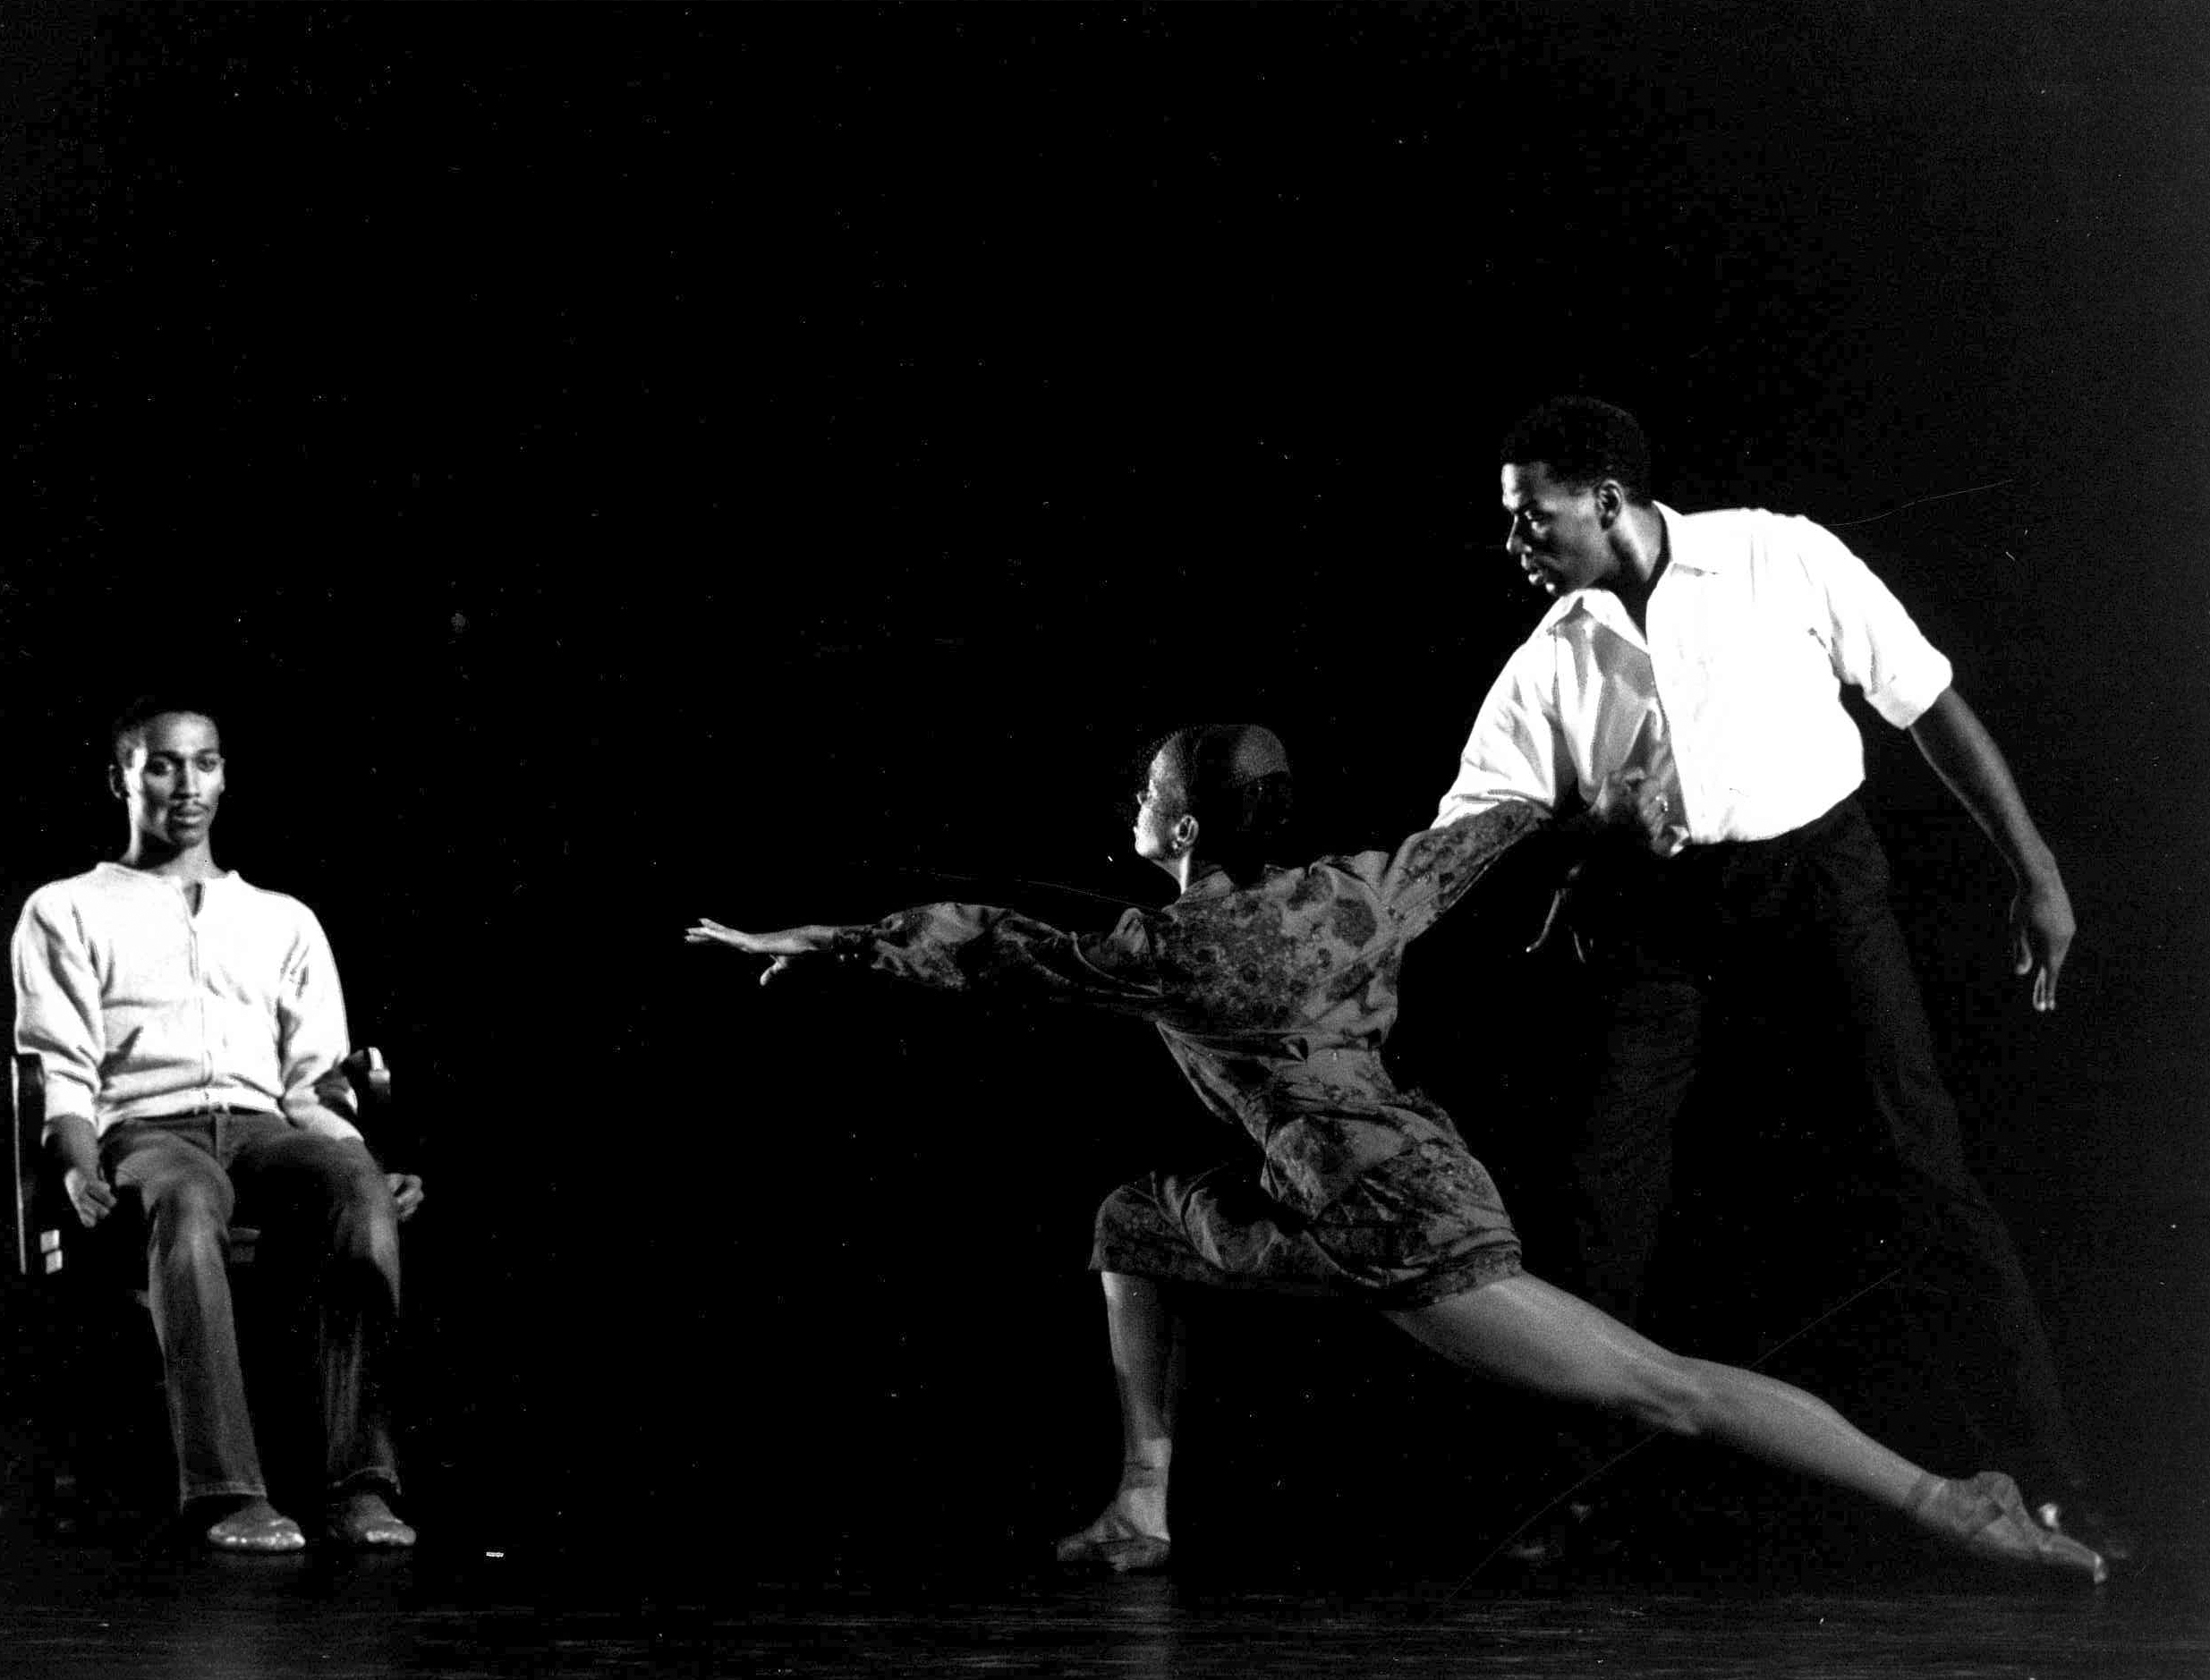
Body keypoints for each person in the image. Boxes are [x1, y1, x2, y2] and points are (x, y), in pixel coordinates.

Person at [689, 722, 2103, 1582]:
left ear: (1178, 826)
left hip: (1399, 1224)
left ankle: (1944, 1497)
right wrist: (1614, 798)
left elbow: (990, 942)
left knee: (1660, 1392)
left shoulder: (1176, 949)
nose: (1132, 805)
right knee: (1133, 1219)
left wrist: (816, 945)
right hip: (1350, 1194)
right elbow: (1487, 831)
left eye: (1147, 791)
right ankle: (1139, 1503)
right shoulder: (1357, 891)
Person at [1434, 395, 2112, 1558]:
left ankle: (2050, 1477)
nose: (1515, 546)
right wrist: (1562, 844)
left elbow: (1929, 704)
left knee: (1916, 1166)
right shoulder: (1551, 658)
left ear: (1604, 500)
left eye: (1530, 519)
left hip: (1817, 896)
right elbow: (1461, 839)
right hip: (1658, 931)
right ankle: (1574, 1494)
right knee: (1600, 1198)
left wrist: (2033, 868)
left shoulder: (1775, 552)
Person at [11, 699, 423, 1553]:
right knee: (192, 1192)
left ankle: (361, 1487)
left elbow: (312, 1083)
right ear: (123, 778)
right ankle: (227, 1491)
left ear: (225, 775)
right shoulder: (66, 908)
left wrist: (361, 1159)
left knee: (354, 1189)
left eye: (204, 763)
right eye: (162, 764)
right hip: (145, 1132)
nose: (185, 785)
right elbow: (62, 1071)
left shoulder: (283, 920)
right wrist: (78, 1166)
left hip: (262, 1129)